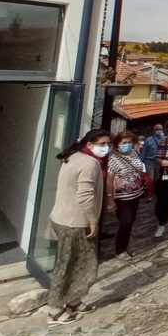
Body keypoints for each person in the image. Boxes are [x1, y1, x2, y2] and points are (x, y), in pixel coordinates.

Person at [45, 129, 110, 325]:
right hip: (75, 222)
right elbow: (85, 194)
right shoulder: (90, 163)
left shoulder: (73, 156)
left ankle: (74, 301)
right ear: (89, 144)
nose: (106, 148)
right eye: (102, 144)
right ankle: (55, 310)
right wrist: (93, 220)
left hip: (63, 217)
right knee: (69, 266)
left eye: (108, 144)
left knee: (80, 264)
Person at [107, 130, 146, 260]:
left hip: (135, 194)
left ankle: (126, 245)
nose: (127, 145)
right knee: (126, 221)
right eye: (124, 143)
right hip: (122, 197)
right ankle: (120, 250)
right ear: (117, 143)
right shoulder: (113, 158)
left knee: (131, 221)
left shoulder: (134, 153)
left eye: (129, 142)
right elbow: (109, 179)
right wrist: (109, 199)